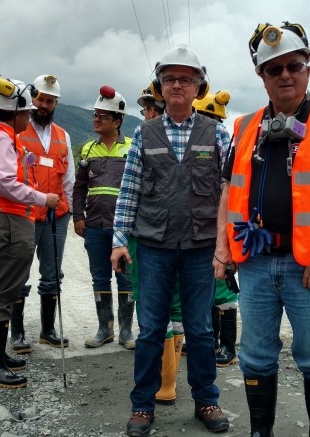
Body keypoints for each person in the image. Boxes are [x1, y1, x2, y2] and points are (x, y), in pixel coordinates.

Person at [214, 22, 310, 436]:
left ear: (307, 69)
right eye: (273, 68)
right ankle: (260, 432)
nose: (285, 75)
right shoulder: (244, 128)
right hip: (257, 263)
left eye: (293, 66)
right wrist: (221, 250)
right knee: (255, 356)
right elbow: (228, 193)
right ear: (261, 76)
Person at [110, 46, 230, 436]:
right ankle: (142, 406)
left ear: (198, 87)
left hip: (200, 248)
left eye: (186, 78)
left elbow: (231, 191)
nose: (177, 84)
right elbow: (128, 192)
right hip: (154, 247)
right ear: (160, 87)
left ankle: (206, 400)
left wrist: (227, 245)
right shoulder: (143, 133)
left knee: (199, 329)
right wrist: (118, 240)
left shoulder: (217, 133)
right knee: (150, 330)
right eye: (170, 79)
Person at [0, 75, 60, 389]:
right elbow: (3, 182)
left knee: (4, 291)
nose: (30, 115)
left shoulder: (0, 134)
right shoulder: (1, 136)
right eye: (28, 111)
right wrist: (41, 198)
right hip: (0, 223)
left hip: (1, 222)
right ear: (16, 111)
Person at [13, 74, 74, 353]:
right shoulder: (17, 132)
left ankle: (47, 330)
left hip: (56, 215)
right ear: (32, 97)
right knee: (19, 274)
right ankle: (17, 334)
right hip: (25, 214)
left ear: (56, 103)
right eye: (40, 99)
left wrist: (71, 210)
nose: (44, 105)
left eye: (50, 101)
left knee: (52, 274)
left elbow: (69, 177)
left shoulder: (63, 136)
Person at [133, 86, 186, 404]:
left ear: (157, 111)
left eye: (148, 109)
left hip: (151, 239)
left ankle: (164, 384)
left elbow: (133, 193)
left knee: (153, 310)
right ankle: (170, 382)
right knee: (176, 308)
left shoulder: (148, 144)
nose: (146, 116)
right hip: (182, 240)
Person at [73, 85, 136, 350]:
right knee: (100, 277)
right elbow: (79, 186)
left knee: (126, 277)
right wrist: (78, 215)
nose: (96, 119)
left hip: (123, 228)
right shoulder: (88, 150)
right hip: (95, 226)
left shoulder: (132, 148)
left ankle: (126, 331)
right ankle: (104, 329)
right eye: (95, 115)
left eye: (103, 116)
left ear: (117, 121)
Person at [192, 90, 239, 367]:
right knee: (211, 286)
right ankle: (212, 342)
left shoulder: (220, 142)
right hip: (204, 224)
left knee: (222, 288)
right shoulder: (214, 141)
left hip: (218, 224)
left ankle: (227, 347)